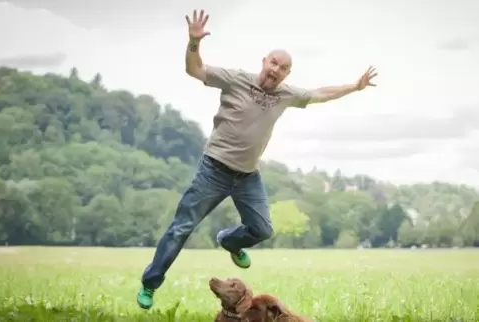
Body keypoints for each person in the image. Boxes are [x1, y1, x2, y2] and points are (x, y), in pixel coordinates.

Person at [137, 9, 378, 310]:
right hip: (213, 169)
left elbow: (320, 93)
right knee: (181, 228)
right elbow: (195, 70)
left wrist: (354, 87)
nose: (276, 69)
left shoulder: (286, 94)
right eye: (273, 62)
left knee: (262, 229)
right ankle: (150, 284)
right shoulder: (236, 79)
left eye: (284, 68)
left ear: (287, 74)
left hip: (248, 176)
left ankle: (231, 242)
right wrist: (194, 42)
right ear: (264, 62)